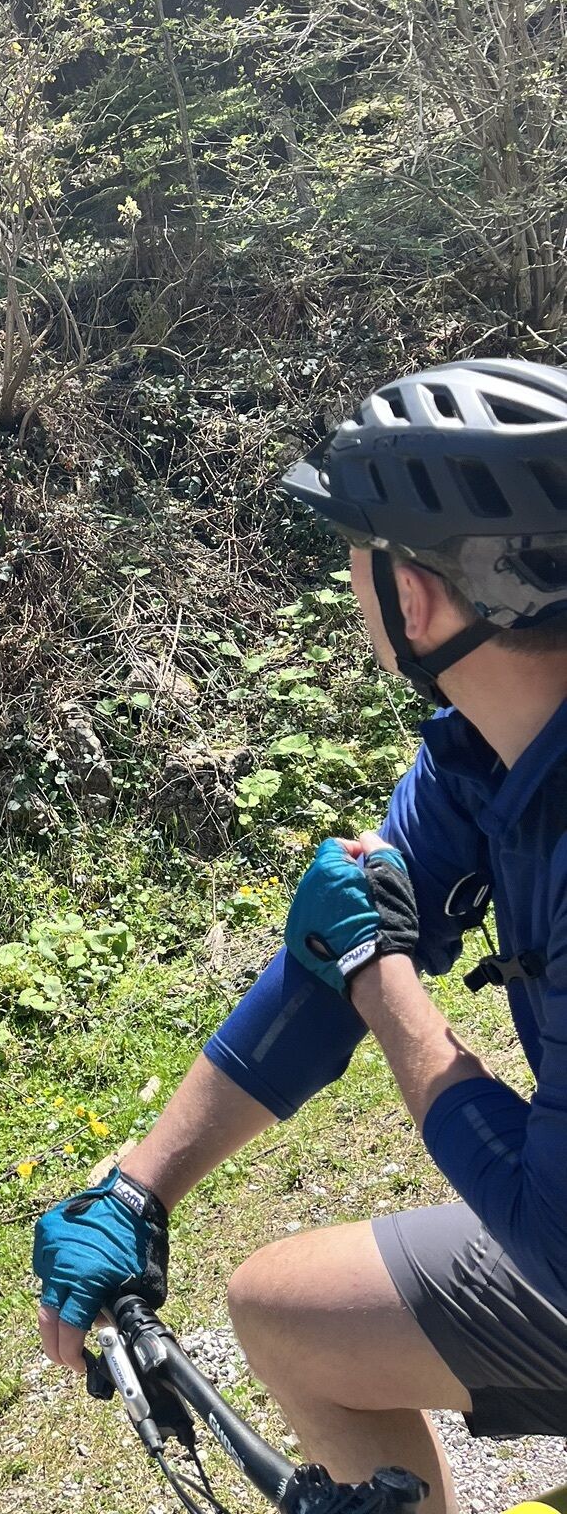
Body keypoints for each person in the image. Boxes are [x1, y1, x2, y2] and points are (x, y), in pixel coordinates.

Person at [34, 359, 567, 1514]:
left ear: (415, 598)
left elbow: (554, 1233)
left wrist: (386, 981)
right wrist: (138, 1186)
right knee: (285, 1309)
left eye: (355, 550)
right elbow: (338, 942)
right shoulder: (487, 749)